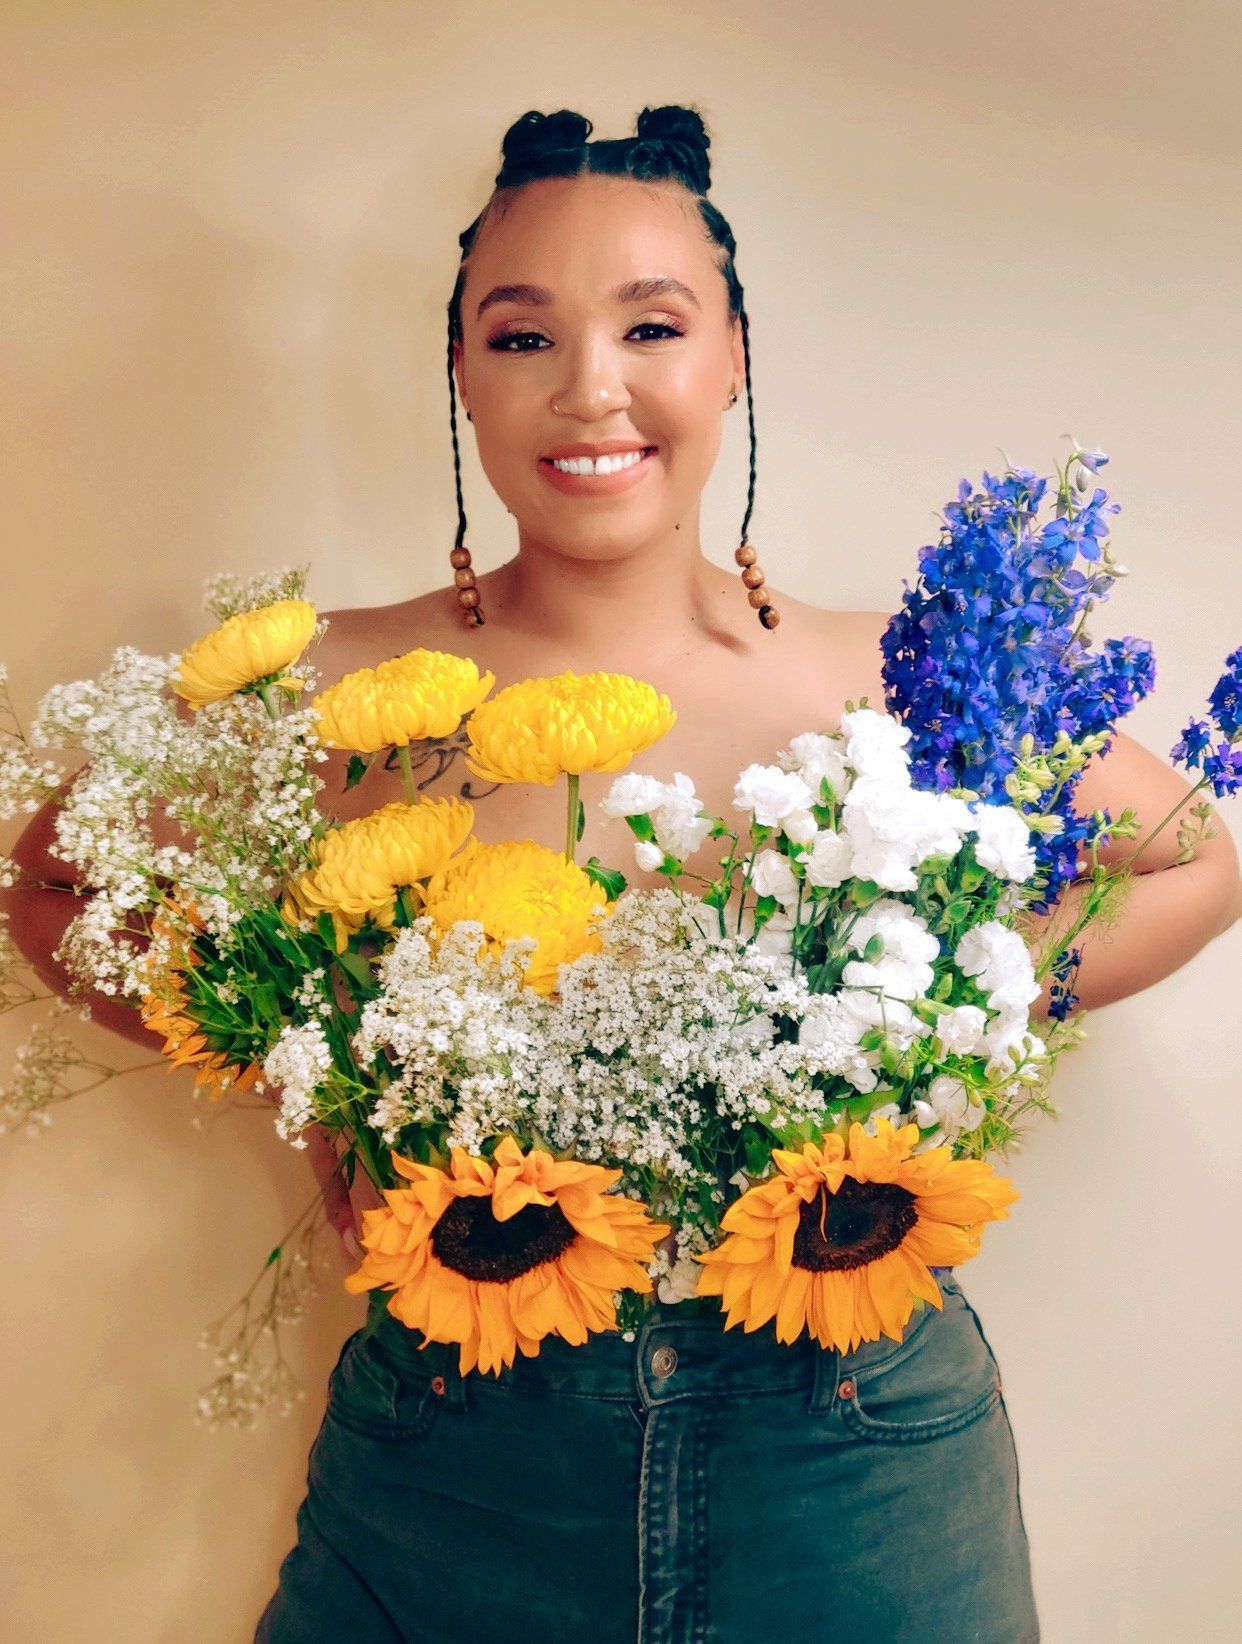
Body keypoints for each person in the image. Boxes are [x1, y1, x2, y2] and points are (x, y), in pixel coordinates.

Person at [6, 103, 1240, 1644]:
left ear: (731, 355)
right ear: (460, 372)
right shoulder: (333, 683)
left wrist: (973, 1021)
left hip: (852, 1448)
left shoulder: (895, 678)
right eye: (520, 337)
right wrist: (308, 1070)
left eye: (649, 325)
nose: (591, 389)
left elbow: (1187, 851)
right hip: (456, 1454)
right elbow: (50, 881)